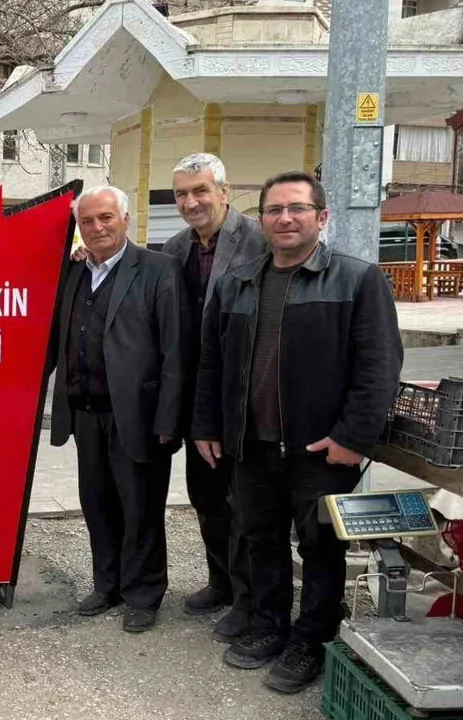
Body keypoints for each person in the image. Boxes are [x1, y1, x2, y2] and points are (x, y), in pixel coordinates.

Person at [193, 171, 402, 693]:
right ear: (261, 219)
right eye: (274, 210)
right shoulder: (237, 281)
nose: (285, 218)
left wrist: (354, 438)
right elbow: (212, 363)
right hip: (251, 444)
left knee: (320, 546)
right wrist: (207, 425)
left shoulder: (357, 280)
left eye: (298, 209)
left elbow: (378, 367)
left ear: (321, 217)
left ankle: (311, 638)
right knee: (261, 540)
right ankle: (269, 626)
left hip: (320, 449)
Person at [48, 185, 190, 633]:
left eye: (106, 218)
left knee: (140, 510)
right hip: (86, 412)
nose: (97, 227)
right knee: (98, 504)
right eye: (87, 221)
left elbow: (176, 350)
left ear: (125, 220)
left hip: (140, 417)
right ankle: (106, 584)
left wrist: (170, 418)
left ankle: (144, 595)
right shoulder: (71, 273)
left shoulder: (158, 270)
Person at [161, 153, 265, 641]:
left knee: (245, 505)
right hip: (197, 402)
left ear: (224, 191)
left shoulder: (260, 241)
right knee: (206, 499)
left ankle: (250, 601)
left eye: (200, 190)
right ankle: (220, 583)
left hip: (245, 399)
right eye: (182, 194)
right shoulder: (176, 247)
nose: (191, 201)